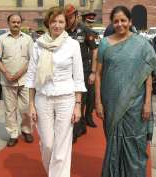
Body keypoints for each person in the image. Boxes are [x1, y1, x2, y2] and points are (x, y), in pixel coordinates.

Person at [95, 6, 156, 177]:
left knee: (135, 143)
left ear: (130, 22)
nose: (120, 24)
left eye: (123, 20)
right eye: (116, 21)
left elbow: (148, 76)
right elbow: (98, 75)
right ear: (112, 23)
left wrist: (147, 104)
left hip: (136, 104)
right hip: (111, 103)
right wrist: (98, 102)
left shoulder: (141, 44)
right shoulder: (104, 43)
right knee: (113, 142)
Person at [26, 6, 86, 177]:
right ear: (48, 23)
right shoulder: (38, 45)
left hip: (66, 99)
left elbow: (79, 77)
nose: (57, 25)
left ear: (66, 23)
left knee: (61, 147)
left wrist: (77, 105)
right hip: (42, 98)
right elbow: (31, 76)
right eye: (54, 21)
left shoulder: (73, 45)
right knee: (48, 144)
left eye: (61, 22)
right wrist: (30, 105)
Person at [0, 14, 34, 147]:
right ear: (8, 23)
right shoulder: (1, 39)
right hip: (7, 80)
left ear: (21, 23)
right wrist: (6, 73)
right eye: (13, 22)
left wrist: (19, 73)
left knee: (26, 108)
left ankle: (26, 130)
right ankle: (13, 134)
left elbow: (32, 60)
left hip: (24, 79)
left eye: (18, 22)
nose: (16, 24)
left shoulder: (28, 39)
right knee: (10, 109)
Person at [65, 4, 98, 143]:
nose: (68, 20)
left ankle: (75, 131)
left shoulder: (85, 30)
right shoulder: (63, 31)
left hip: (83, 70)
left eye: (70, 17)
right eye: (66, 18)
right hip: (67, 71)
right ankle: (81, 126)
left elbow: (95, 50)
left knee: (80, 101)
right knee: (68, 101)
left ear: (76, 16)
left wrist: (93, 72)